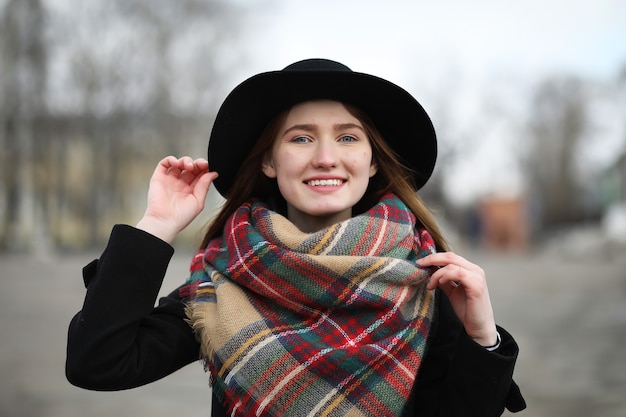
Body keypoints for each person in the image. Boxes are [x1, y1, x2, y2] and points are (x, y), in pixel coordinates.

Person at [66, 58, 526, 416]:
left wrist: (481, 337)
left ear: (372, 163)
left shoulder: (425, 280)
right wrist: (156, 227)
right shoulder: (221, 285)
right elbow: (98, 362)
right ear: (269, 161)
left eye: (348, 138)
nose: (326, 157)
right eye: (301, 139)